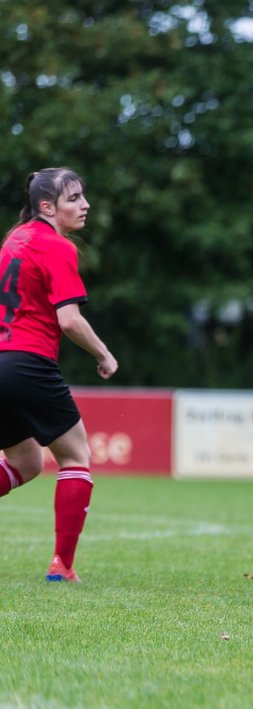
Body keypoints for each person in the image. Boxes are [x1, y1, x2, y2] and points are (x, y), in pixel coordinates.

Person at [0, 167, 118, 582]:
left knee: (25, 461)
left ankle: (61, 565)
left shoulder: (13, 240)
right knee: (76, 457)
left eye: (83, 196)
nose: (84, 205)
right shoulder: (57, 246)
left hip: (1, 360)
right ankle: (62, 566)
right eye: (74, 199)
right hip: (27, 362)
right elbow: (68, 320)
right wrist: (103, 353)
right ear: (47, 207)